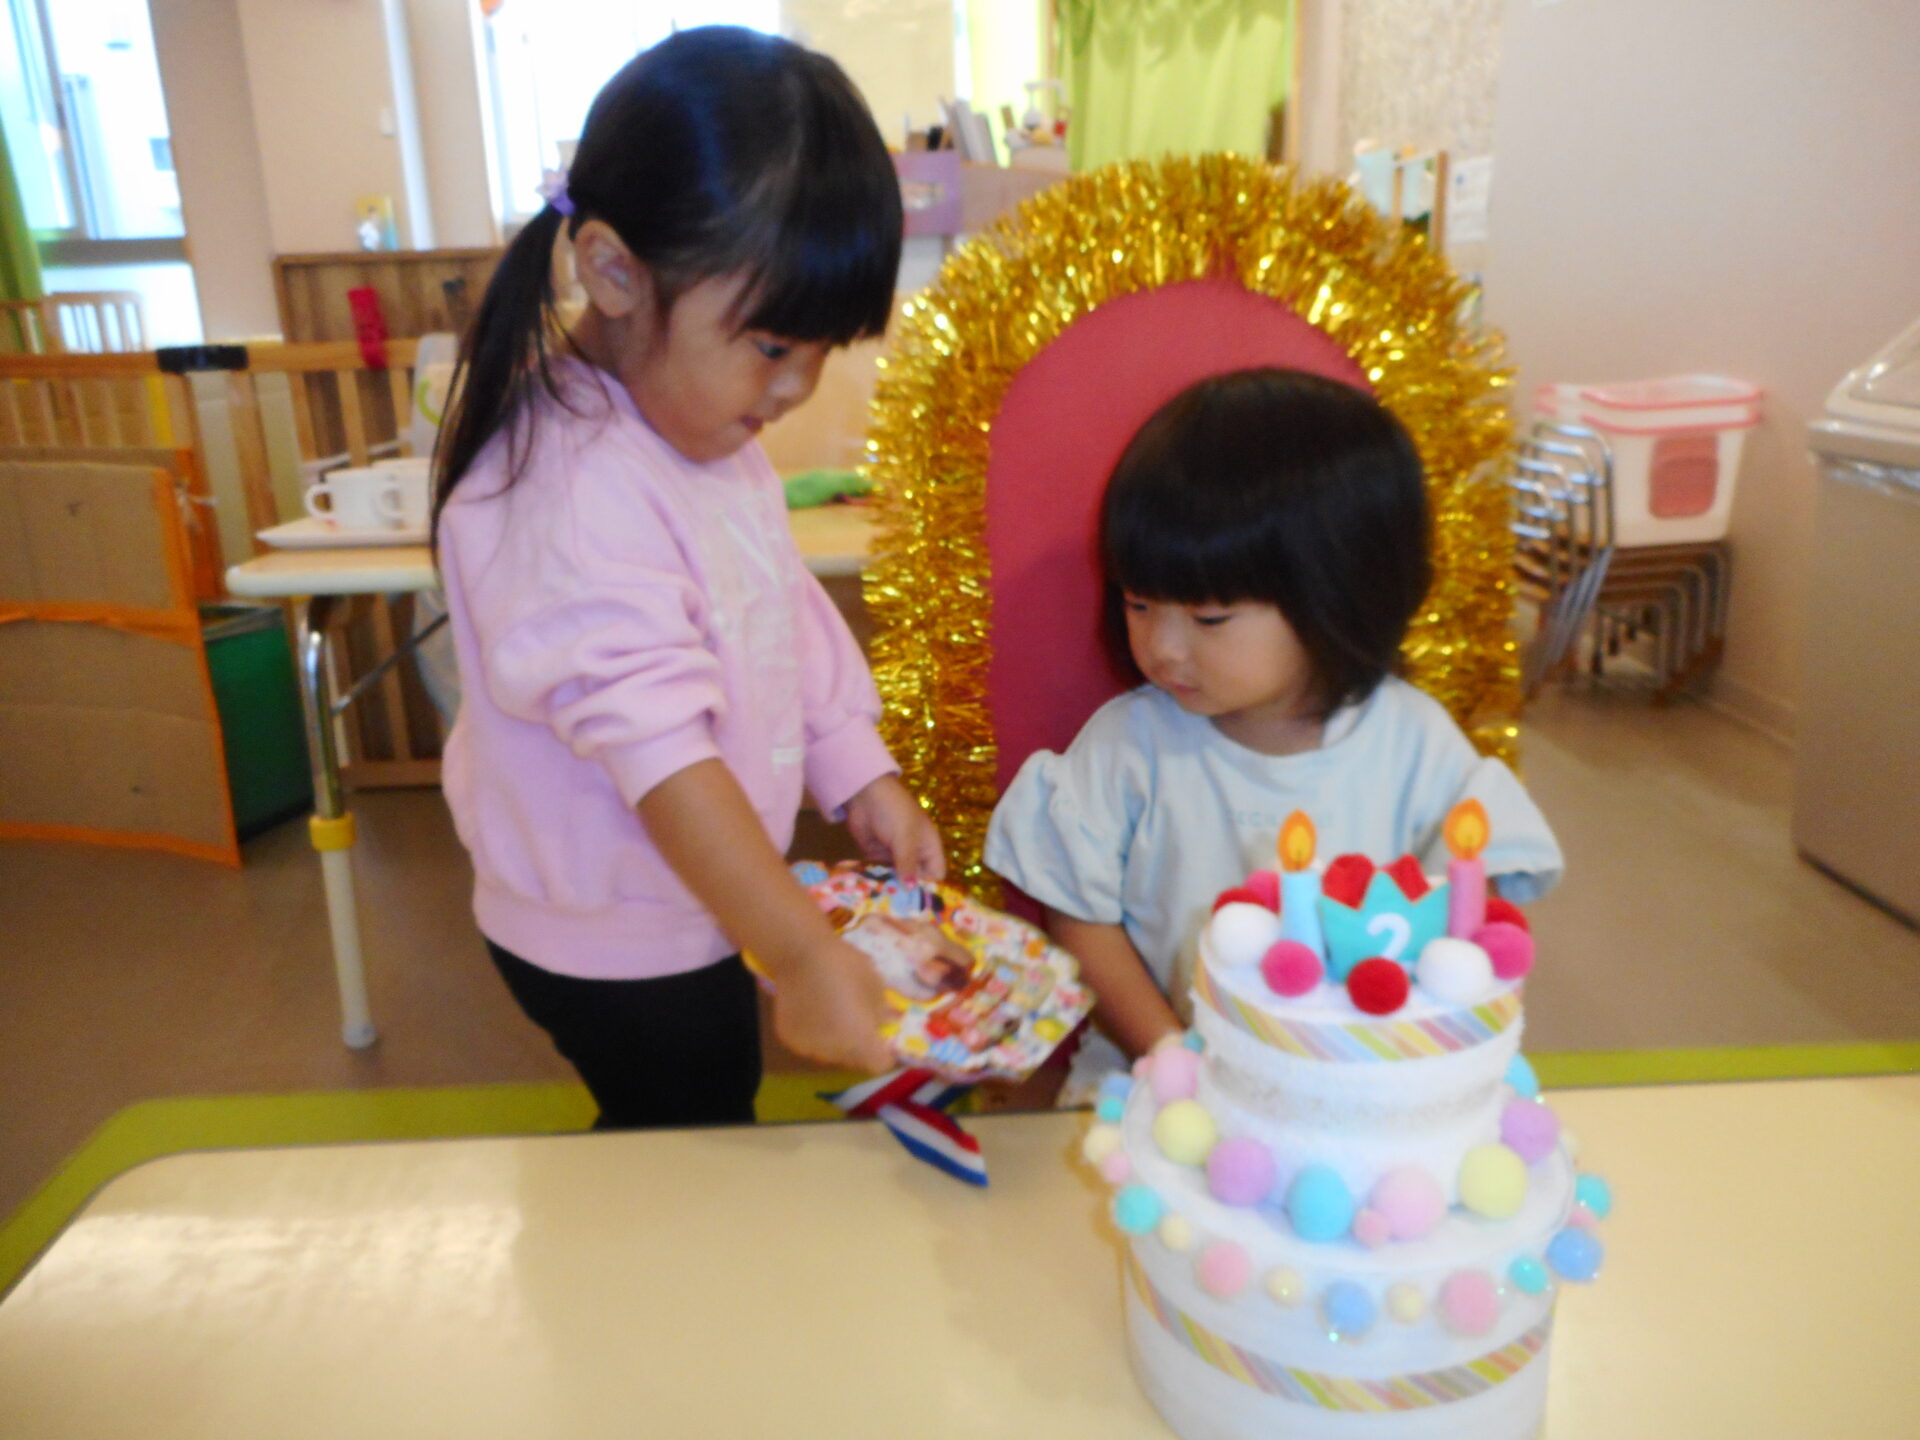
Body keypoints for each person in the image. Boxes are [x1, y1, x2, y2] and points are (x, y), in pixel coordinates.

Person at [431, 27, 943, 1130]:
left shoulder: (704, 434)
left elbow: (779, 612)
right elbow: (662, 757)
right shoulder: (570, 484)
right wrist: (800, 953)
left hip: (694, 900)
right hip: (620, 938)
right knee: (690, 1135)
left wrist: (857, 771)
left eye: (822, 352)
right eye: (773, 348)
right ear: (614, 271)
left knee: (692, 1125)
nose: (797, 389)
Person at [983, 368, 1563, 1104]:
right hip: (1156, 1088)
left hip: (1361, 1096)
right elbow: (1080, 917)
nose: (1162, 647)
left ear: (1337, 593)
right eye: (1138, 604)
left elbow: (1474, 909)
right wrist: (1173, 1055)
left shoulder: (1412, 744)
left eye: (1209, 618)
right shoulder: (1131, 747)